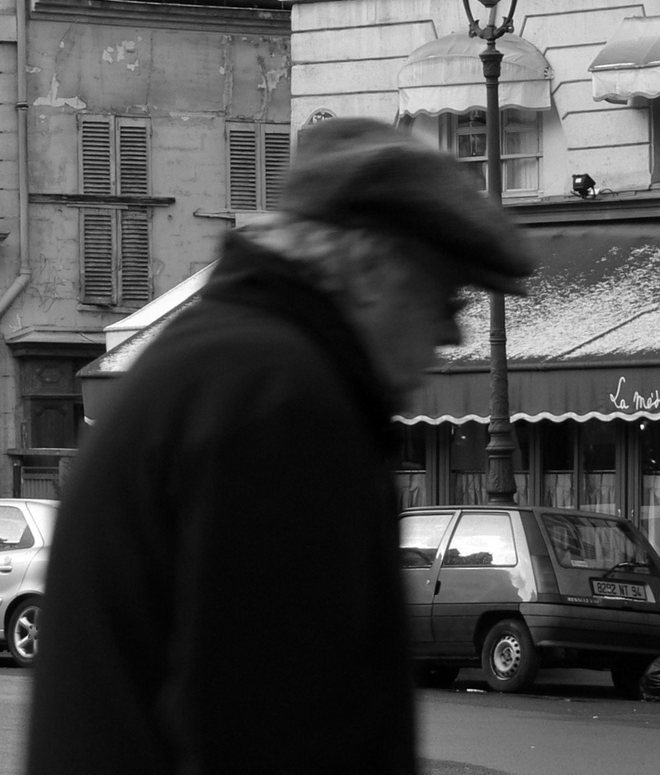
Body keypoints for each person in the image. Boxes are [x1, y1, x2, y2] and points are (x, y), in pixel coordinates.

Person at [25, 117, 536, 774]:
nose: (449, 335)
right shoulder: (284, 408)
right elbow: (276, 729)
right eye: (443, 295)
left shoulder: (221, 364)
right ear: (370, 266)